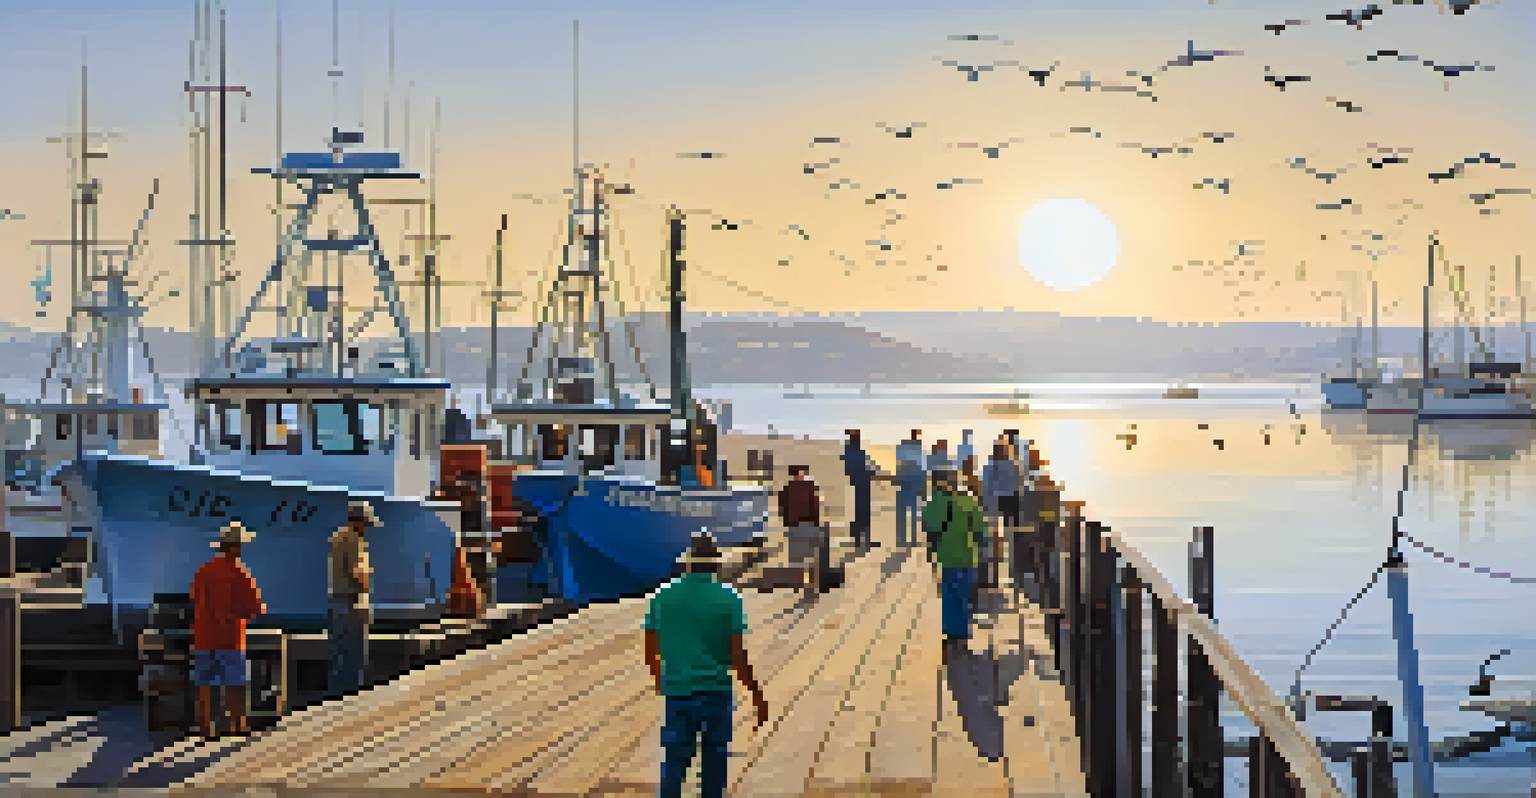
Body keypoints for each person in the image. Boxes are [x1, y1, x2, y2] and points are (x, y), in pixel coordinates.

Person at [645, 532, 769, 798]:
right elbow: (737, 654)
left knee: (674, 762)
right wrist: (756, 692)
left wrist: (660, 680)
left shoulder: (662, 596)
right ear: (716, 564)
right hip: (715, 691)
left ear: (688, 563)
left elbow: (650, 647)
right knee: (715, 761)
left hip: (677, 691)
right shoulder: (729, 598)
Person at [190, 521, 266, 738]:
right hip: (230, 638)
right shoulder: (238, 571)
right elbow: (255, 607)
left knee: (204, 684)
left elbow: (194, 596)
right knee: (235, 683)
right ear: (235, 547)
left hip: (203, 636)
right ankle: (237, 726)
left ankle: (206, 727)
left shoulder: (203, 570)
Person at [922, 470, 985, 651]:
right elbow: (980, 527)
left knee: (949, 595)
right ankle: (962, 633)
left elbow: (930, 530)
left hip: (947, 556)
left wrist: (931, 553)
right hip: (967, 555)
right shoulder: (967, 499)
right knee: (964, 596)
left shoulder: (933, 503)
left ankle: (952, 633)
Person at [328, 501, 378, 697]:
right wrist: (366, 588)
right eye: (365, 524)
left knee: (338, 653)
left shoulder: (337, 537)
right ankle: (350, 699)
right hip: (352, 601)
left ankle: (335, 696)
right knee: (354, 655)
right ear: (359, 521)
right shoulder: (353, 540)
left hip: (337, 601)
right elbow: (357, 573)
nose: (366, 529)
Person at [778, 465, 827, 599]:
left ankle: (797, 587)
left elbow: (781, 509)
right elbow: (816, 505)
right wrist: (818, 524)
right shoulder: (810, 486)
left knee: (796, 559)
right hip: (810, 524)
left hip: (794, 526)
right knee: (811, 558)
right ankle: (811, 587)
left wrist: (787, 523)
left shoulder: (786, 488)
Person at [981, 442, 1021, 590]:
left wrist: (985, 508)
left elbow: (986, 489)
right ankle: (1013, 572)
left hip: (995, 503)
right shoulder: (1012, 465)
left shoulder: (989, 467)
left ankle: (996, 575)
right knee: (1012, 539)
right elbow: (1018, 486)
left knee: (995, 540)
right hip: (1010, 502)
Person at [841, 429, 875, 551]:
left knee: (864, 512)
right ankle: (858, 540)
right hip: (859, 484)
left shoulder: (856, 450)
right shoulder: (851, 450)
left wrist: (869, 471)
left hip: (863, 483)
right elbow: (851, 469)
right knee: (861, 512)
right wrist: (866, 472)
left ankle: (865, 540)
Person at [894, 430, 927, 548]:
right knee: (910, 515)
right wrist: (923, 490)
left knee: (904, 515)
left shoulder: (905, 455)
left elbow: (900, 470)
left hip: (906, 486)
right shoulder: (917, 456)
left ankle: (903, 539)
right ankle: (910, 539)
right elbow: (923, 473)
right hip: (911, 487)